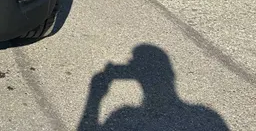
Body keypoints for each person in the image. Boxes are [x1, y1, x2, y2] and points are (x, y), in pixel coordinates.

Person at [78, 45, 229, 131]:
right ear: (170, 72)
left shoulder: (121, 115)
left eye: (133, 62)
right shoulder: (207, 117)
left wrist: (94, 97)